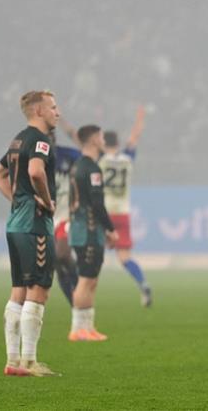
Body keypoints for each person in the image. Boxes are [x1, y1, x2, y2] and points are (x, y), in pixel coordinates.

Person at [0, 90, 61, 376]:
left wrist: (17, 199)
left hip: (15, 223)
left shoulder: (17, 139)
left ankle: (12, 361)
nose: (58, 112)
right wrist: (45, 200)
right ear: (39, 111)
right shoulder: (40, 141)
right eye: (53, 107)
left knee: (18, 290)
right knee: (39, 289)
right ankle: (30, 361)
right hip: (34, 225)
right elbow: (35, 172)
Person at [68, 125, 119, 342]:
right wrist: (111, 228)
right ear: (91, 141)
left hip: (88, 230)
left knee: (92, 279)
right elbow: (97, 204)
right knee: (85, 279)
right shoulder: (91, 169)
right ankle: (77, 328)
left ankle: (88, 327)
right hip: (87, 231)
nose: (103, 139)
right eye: (100, 136)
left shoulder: (78, 166)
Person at [97, 107, 152, 306]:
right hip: (123, 214)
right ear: (118, 144)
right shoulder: (127, 159)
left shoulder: (100, 160)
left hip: (103, 214)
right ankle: (143, 283)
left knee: (91, 253)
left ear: (103, 143)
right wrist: (140, 118)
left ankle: (82, 291)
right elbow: (135, 136)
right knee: (125, 257)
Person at [52, 133, 81, 305]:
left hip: (65, 215)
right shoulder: (31, 159)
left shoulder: (68, 155)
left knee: (62, 254)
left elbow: (86, 159)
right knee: (55, 263)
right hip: (46, 218)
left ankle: (79, 286)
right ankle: (74, 303)